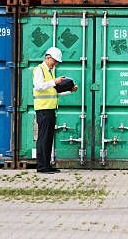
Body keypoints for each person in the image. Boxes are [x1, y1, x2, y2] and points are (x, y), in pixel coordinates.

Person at [33, 46, 77, 174]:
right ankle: (41, 167)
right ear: (48, 58)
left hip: (50, 109)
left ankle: (47, 165)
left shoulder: (50, 72)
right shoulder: (39, 70)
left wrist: (69, 90)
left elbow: (53, 92)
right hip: (43, 110)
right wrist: (54, 81)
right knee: (43, 138)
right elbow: (38, 86)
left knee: (49, 139)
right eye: (55, 61)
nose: (55, 64)